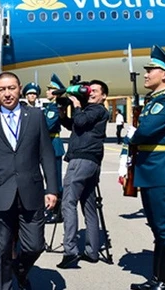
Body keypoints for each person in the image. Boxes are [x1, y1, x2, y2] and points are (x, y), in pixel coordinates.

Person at [0, 72, 58, 290]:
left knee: (35, 245)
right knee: (0, 249)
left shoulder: (36, 116)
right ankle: (4, 286)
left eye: (11, 88)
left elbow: (46, 154)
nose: (7, 94)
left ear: (19, 88)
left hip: (31, 191)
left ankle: (19, 269)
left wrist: (52, 189)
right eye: (2, 90)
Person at [124, 45, 165, 290]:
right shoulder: (154, 101)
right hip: (150, 170)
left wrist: (134, 135)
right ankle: (157, 279)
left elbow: (146, 131)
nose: (146, 74)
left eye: (152, 70)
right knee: (157, 229)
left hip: (161, 170)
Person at [57, 79, 110, 269]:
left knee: (68, 202)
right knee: (88, 206)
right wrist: (63, 113)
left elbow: (80, 121)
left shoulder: (96, 109)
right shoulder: (92, 111)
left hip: (81, 160)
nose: (91, 93)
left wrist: (77, 105)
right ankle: (92, 251)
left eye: (96, 91)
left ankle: (70, 251)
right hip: (92, 162)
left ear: (104, 95)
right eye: (90, 90)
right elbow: (76, 126)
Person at [44, 74, 67, 194]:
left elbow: (47, 125)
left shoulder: (54, 108)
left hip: (53, 144)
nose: (47, 92)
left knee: (55, 177)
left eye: (49, 89)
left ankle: (58, 204)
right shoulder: (50, 107)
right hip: (49, 144)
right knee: (49, 176)